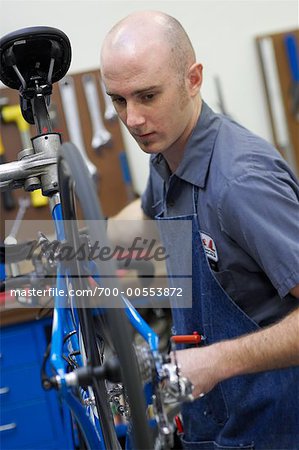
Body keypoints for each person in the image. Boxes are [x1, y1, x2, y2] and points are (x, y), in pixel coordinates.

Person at [101, 10, 299, 449]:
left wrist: (216, 360)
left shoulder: (241, 183)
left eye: (147, 96)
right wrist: (46, 264)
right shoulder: (167, 154)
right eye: (118, 100)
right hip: (219, 426)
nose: (132, 119)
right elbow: (148, 222)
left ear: (193, 79)